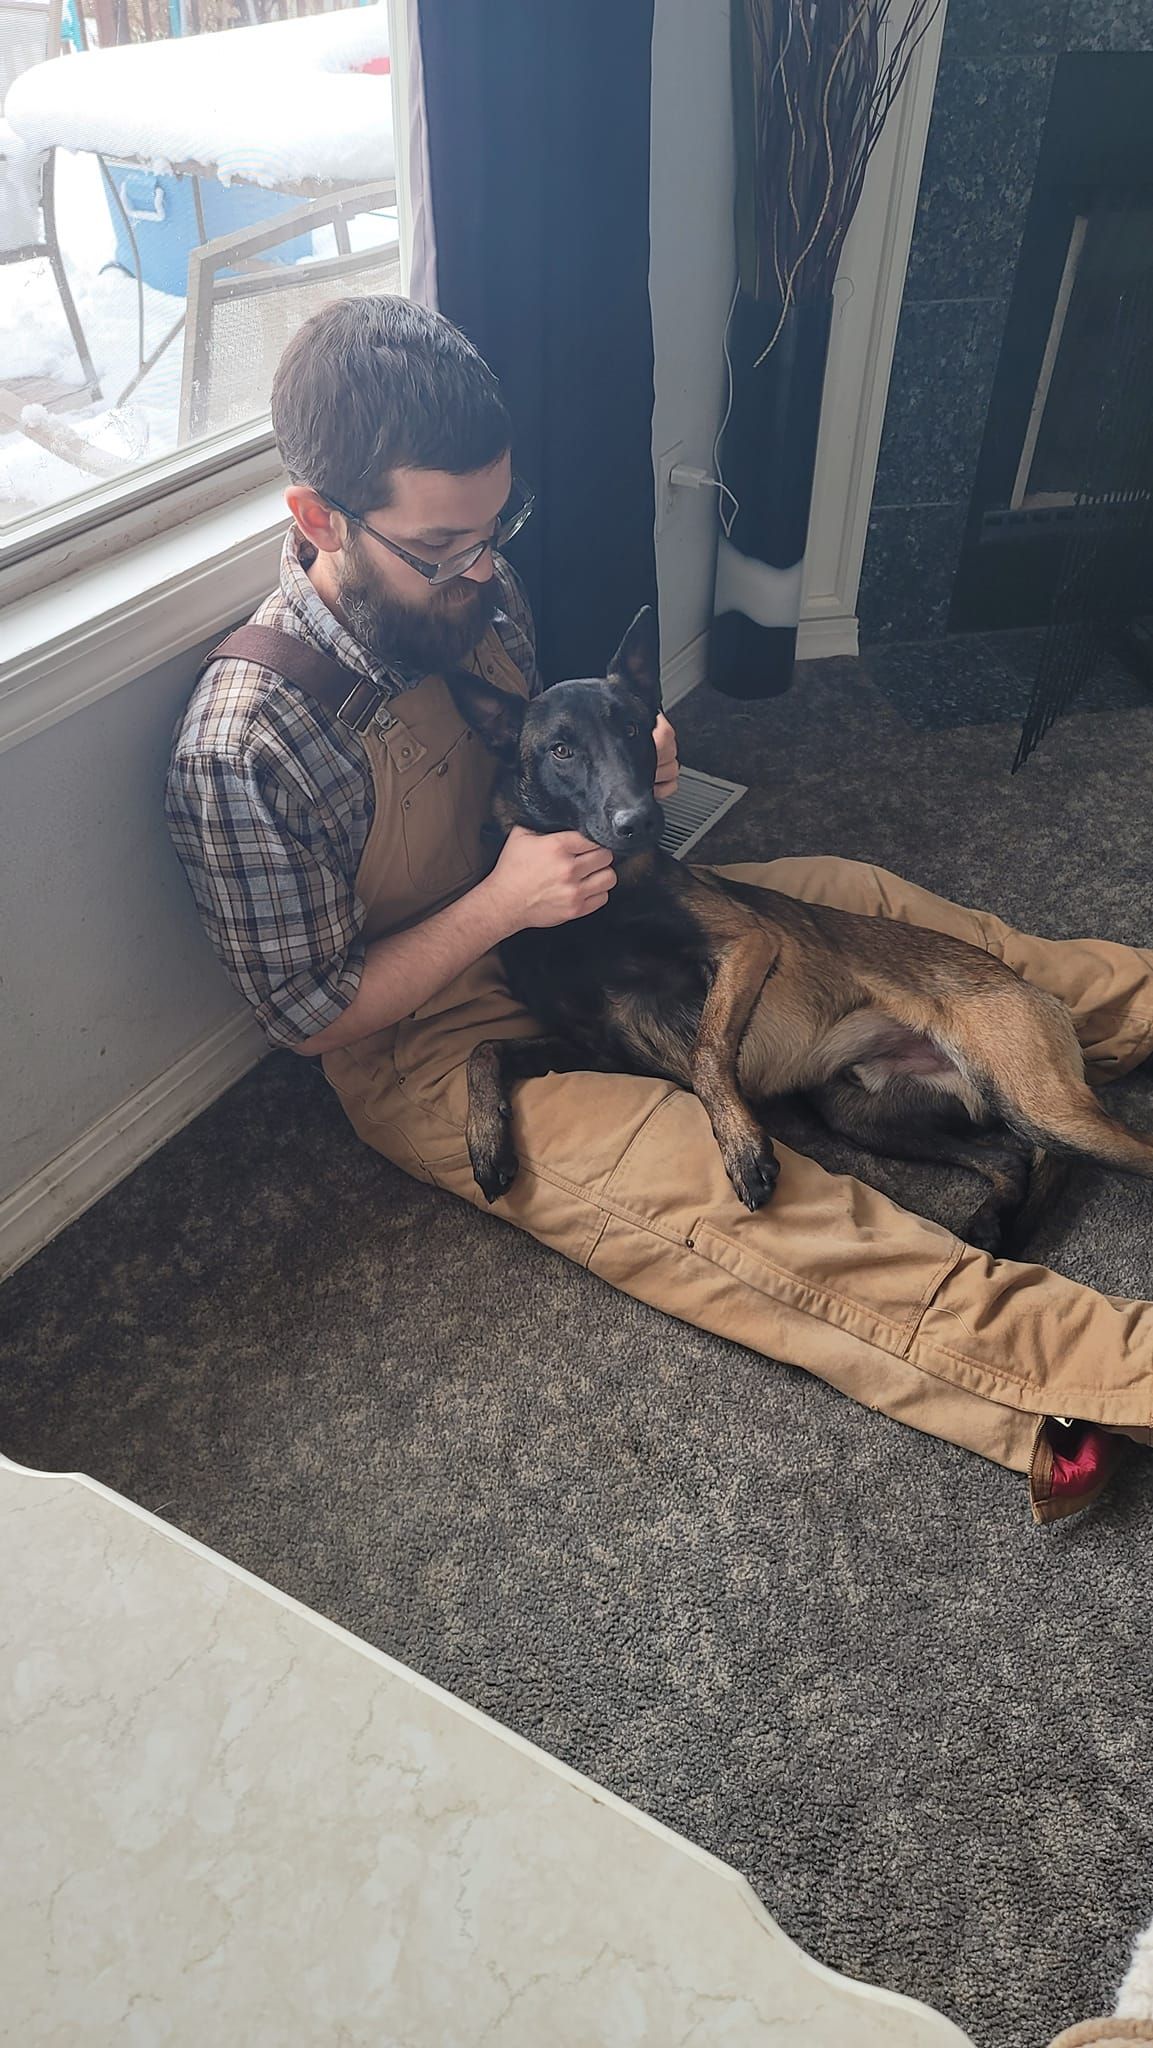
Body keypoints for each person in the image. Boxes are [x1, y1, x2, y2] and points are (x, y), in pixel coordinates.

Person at [166, 295, 1153, 1525]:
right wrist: (497, 904)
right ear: (318, 517)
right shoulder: (244, 745)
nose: (483, 570)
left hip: (590, 902)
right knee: (736, 1202)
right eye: (444, 549)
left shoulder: (479, 585)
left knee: (872, 902)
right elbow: (310, 1016)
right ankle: (1098, 1364)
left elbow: (549, 745)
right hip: (434, 1022)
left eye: (496, 530)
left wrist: (637, 755)